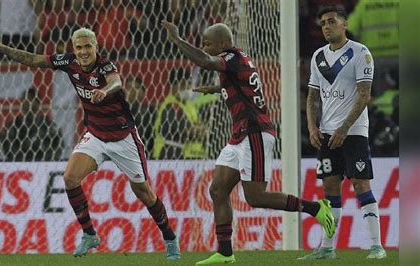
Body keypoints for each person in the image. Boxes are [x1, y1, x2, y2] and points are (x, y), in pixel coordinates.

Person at [0, 28, 180, 259]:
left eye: (88, 46)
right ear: (73, 49)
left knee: (143, 192)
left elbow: (116, 82)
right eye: (79, 47)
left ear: (96, 47)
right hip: (95, 134)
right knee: (70, 178)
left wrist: (104, 91)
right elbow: (32, 59)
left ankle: (170, 237)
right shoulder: (69, 61)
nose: (83, 52)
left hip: (123, 138)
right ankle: (89, 234)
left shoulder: (105, 66)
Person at [161, 21, 336, 264]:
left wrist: (178, 40)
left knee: (255, 197)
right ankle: (225, 253)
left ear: (223, 43)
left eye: (207, 43)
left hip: (255, 132)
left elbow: (204, 61)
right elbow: (240, 84)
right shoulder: (236, 61)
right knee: (218, 189)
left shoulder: (231, 57)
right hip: (239, 134)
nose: (204, 47)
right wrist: (215, 89)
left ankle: (316, 209)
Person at [300, 6, 386, 260]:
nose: (326, 26)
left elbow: (364, 95)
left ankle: (376, 246)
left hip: (354, 132)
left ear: (344, 24)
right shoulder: (318, 56)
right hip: (326, 133)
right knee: (330, 187)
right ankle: (328, 247)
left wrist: (345, 128)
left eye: (331, 21)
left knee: (361, 184)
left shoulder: (360, 53)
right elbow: (313, 96)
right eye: (322, 23)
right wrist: (311, 126)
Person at [153, 67, 207, 160]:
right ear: (172, 87)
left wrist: (198, 129)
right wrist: (197, 130)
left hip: (186, 155)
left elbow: (202, 129)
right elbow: (188, 131)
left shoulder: (189, 105)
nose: (187, 88)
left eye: (189, 84)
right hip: (166, 155)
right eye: (182, 84)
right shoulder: (171, 105)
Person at [1, 87, 64, 162]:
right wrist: (21, 158)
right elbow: (8, 146)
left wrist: (46, 159)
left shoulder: (48, 125)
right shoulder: (14, 125)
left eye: (31, 100)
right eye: (24, 100)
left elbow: (58, 145)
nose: (27, 103)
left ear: (38, 103)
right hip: (19, 163)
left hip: (43, 162)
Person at [125, 76, 156, 157]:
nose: (133, 91)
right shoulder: (116, 111)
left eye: (137, 87)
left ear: (144, 92)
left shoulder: (150, 112)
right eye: (129, 87)